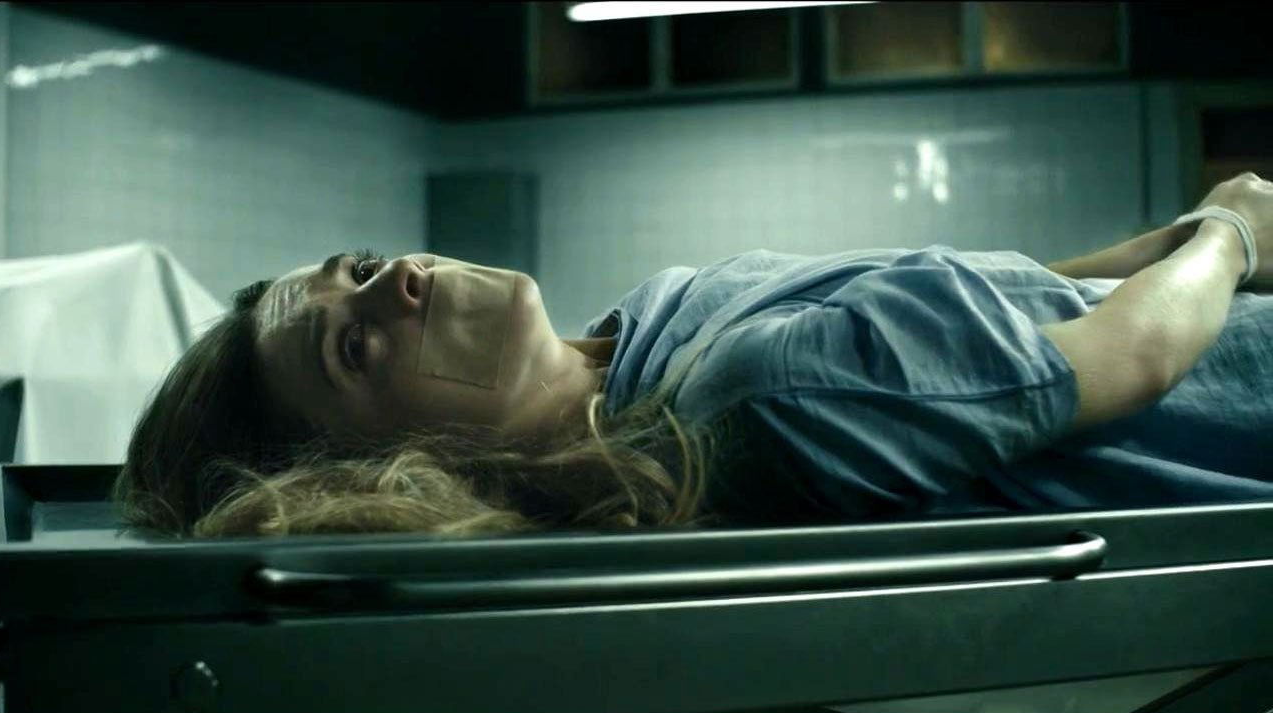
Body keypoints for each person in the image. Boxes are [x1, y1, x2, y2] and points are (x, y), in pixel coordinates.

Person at [113, 173, 1273, 539]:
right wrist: (1229, 231)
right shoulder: (750, 405)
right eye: (355, 343)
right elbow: (1127, 356)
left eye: (360, 265)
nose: (397, 279)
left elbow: (1001, 320)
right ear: (385, 472)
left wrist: (1168, 243)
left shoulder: (647, 330)